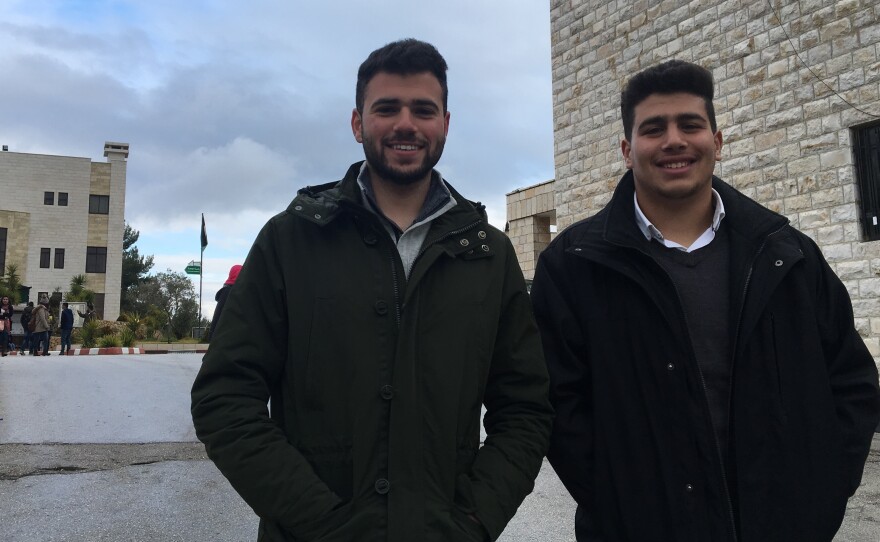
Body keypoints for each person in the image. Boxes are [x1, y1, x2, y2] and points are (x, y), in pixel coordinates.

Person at [191, 38, 552, 541]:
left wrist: (473, 521)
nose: (406, 123)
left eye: (424, 109)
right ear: (358, 122)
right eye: (387, 108)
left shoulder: (488, 254)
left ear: (445, 124)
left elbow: (526, 409)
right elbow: (224, 398)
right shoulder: (290, 240)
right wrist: (321, 521)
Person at [531, 59, 880, 542]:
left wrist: (824, 492)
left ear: (716, 142)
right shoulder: (571, 266)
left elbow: (852, 379)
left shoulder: (788, 255)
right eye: (654, 129)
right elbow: (556, 405)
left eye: (690, 124)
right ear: (627, 150)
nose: (674, 140)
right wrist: (617, 501)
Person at [207, 264, 241, 340]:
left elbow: (218, 313)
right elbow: (218, 313)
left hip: (226, 334)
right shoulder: (229, 291)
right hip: (228, 335)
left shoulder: (228, 290)